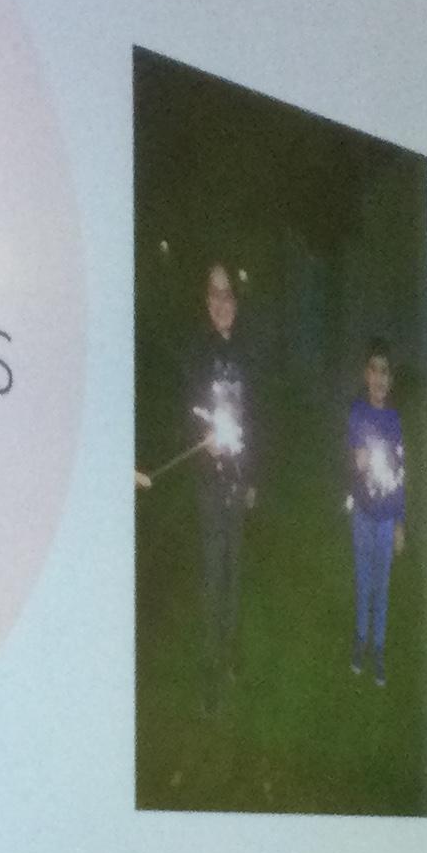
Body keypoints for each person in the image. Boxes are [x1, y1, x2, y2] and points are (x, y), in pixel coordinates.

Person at [183, 261, 254, 715]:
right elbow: (187, 409)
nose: (221, 302)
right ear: (206, 300)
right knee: (213, 574)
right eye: (214, 293)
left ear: (235, 303)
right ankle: (211, 668)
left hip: (239, 479)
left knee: (234, 570)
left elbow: (257, 416)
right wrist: (200, 435)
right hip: (209, 482)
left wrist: (253, 477)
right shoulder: (197, 351)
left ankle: (229, 651)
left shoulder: (246, 352)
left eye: (227, 294)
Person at [343, 339, 407, 685]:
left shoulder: (394, 421)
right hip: (363, 515)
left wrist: (399, 523)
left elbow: (400, 474)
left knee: (382, 586)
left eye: (385, 372)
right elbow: (351, 462)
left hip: (385, 519)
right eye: (374, 370)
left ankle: (378, 647)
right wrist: (357, 461)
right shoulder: (357, 413)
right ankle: (361, 639)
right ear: (366, 375)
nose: (380, 378)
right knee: (363, 582)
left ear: (390, 379)